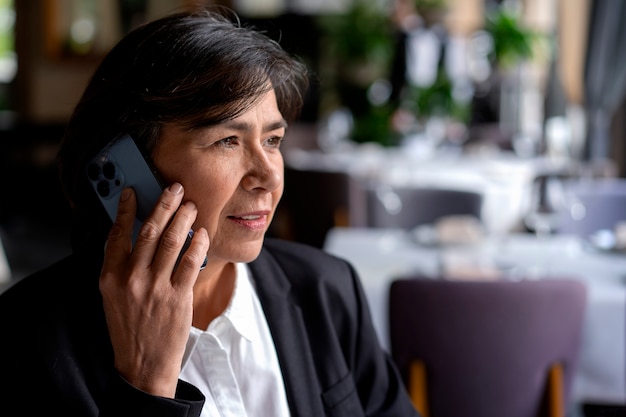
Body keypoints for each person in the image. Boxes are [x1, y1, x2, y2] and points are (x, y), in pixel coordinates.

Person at [0, 7, 420, 417]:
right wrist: (147, 384)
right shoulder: (27, 341)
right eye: (227, 141)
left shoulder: (327, 289)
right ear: (128, 167)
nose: (268, 176)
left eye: (273, 141)